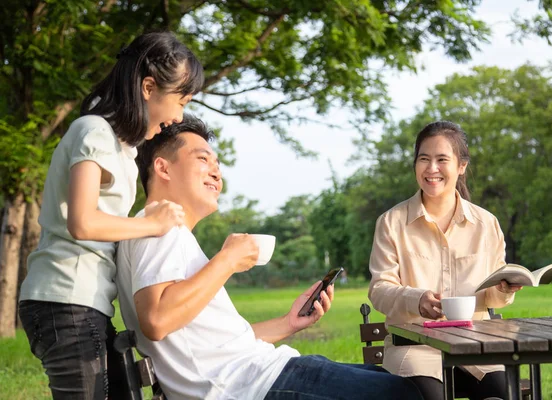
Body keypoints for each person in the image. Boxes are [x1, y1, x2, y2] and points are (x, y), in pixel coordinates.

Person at [115, 114, 423, 400]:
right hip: (250, 386)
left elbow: (222, 345)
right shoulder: (158, 227)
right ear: (163, 168)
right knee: (404, 393)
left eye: (218, 163)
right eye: (203, 159)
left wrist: (288, 323)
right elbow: (156, 320)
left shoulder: (171, 234)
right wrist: (227, 261)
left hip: (260, 374)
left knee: (405, 385)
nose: (216, 172)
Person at [18, 31, 204, 399]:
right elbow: (82, 222)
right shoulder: (95, 132)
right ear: (149, 87)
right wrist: (151, 224)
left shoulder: (123, 149)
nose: (179, 115)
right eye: (181, 100)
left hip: (85, 303)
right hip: (65, 298)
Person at [368, 121, 523, 400]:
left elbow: (492, 298)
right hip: (413, 348)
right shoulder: (392, 223)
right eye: (424, 159)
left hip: (476, 347)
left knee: (506, 393)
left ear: (461, 165)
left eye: (442, 160)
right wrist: (416, 299)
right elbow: (379, 290)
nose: (431, 169)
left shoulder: (486, 224)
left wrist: (503, 290)